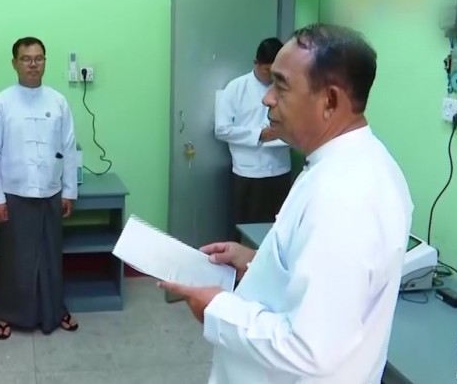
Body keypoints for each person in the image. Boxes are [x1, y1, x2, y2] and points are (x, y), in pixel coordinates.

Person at [160, 24, 414, 384]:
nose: (267, 99)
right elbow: (323, 282)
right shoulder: (348, 164)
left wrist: (216, 308)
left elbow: (309, 349)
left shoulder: (343, 196)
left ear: (329, 101)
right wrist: (257, 262)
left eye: (281, 85)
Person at [0, 36, 79, 339]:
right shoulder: (1, 103)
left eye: (38, 58)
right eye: (26, 59)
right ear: (15, 63)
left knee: (51, 257)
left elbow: (69, 148)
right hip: (14, 193)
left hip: (50, 192)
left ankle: (55, 311)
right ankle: (9, 315)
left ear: (45, 62)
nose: (33, 64)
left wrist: (69, 191)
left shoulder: (58, 101)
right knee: (16, 260)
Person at [214, 38, 291, 241]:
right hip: (248, 173)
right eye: (267, 70)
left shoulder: (288, 88)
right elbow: (221, 130)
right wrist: (258, 135)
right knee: (244, 229)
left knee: (278, 231)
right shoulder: (236, 87)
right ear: (256, 63)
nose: (272, 76)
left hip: (280, 170)